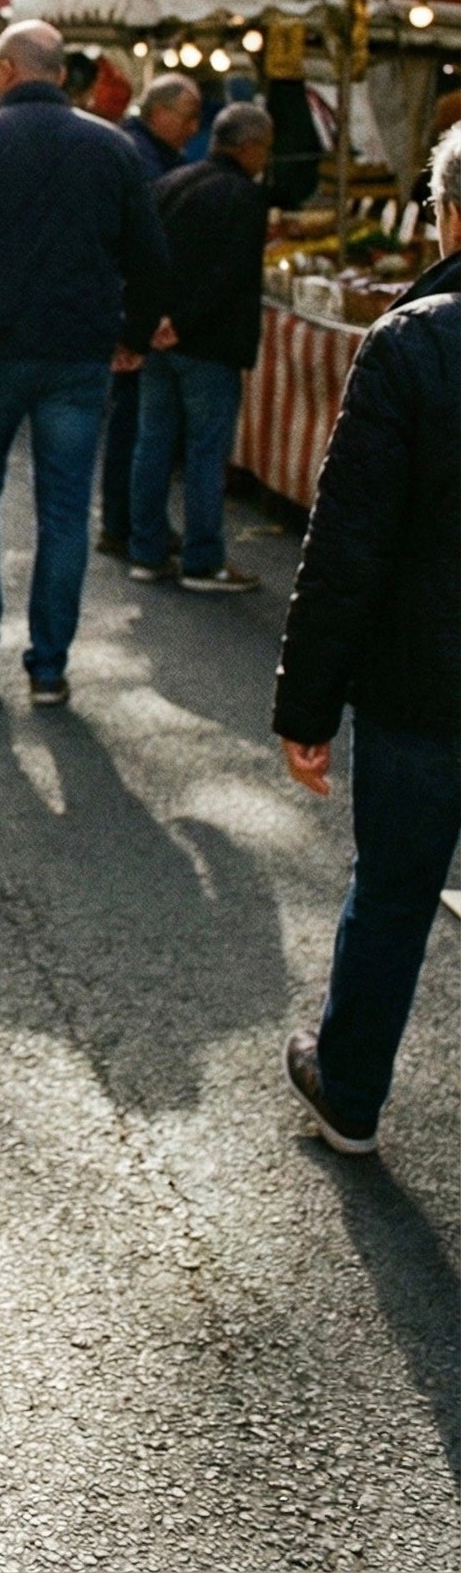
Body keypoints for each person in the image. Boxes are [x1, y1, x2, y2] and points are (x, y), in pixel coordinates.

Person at [275, 125, 461, 1156]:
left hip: (423, 686)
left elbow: (348, 543)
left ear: (445, 213)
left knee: (391, 893)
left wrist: (306, 708)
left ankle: (348, 1087)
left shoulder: (415, 339)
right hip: (422, 683)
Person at [0, 20, 169, 707]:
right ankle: (49, 664)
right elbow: (148, 255)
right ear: (61, 75)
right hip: (77, 352)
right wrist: (134, 335)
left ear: (4, 72)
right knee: (64, 509)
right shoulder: (111, 147)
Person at [129, 102, 273, 593]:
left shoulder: (171, 182)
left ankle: (146, 550)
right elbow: (230, 276)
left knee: (153, 443)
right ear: (250, 146)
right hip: (206, 343)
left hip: (159, 337)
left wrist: (153, 320)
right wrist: (182, 323)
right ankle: (203, 560)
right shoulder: (243, 197)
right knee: (204, 453)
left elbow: (141, 254)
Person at [98, 71, 203, 555]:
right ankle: (127, 526)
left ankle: (129, 524)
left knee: (133, 423)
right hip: (133, 309)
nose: (194, 127)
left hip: (127, 305)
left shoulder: (139, 151)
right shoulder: (141, 159)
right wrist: (142, 319)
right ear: (159, 113)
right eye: (187, 116)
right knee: (134, 424)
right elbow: (142, 247)